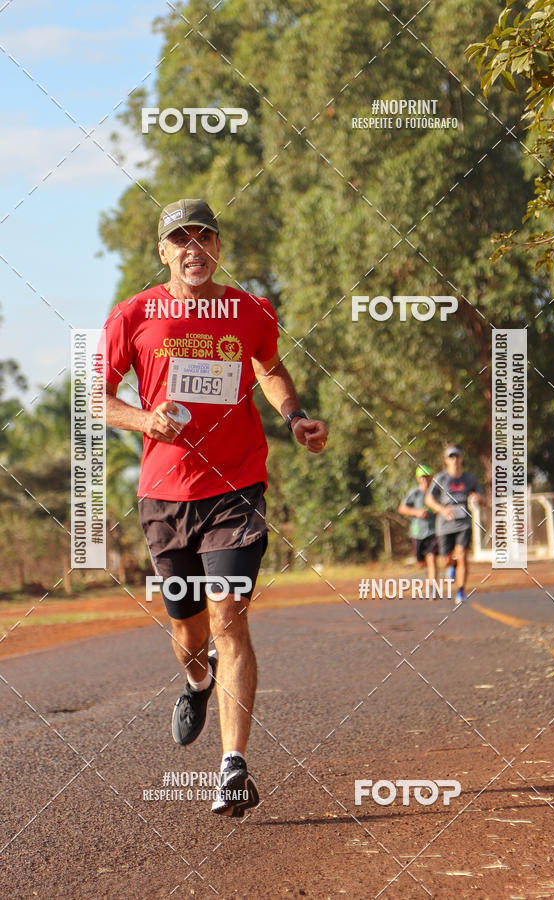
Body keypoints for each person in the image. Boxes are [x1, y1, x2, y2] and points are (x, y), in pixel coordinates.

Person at [99, 198, 328, 817]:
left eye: (204, 237)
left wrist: (295, 416)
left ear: (218, 248)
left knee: (229, 617)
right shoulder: (135, 314)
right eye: (181, 240)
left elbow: (271, 364)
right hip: (164, 495)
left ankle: (233, 767)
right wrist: (145, 418)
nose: (193, 249)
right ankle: (197, 681)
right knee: (189, 630)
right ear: (163, 251)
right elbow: (99, 398)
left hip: (236, 488)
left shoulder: (249, 309)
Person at [425, 446, 484, 604]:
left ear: (461, 458)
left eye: (457, 456)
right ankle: (452, 566)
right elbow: (429, 499)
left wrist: (478, 498)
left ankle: (460, 591)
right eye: (451, 457)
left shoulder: (470, 479)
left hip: (464, 523)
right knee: (446, 560)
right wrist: (442, 510)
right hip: (445, 525)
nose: (455, 460)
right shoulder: (441, 479)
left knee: (463, 555)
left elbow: (483, 497)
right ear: (446, 460)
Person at [398, 465, 437, 583]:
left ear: (431, 477)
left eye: (427, 477)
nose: (425, 480)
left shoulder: (437, 492)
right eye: (422, 477)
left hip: (433, 531)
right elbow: (402, 508)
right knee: (420, 563)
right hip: (418, 532)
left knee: (432, 558)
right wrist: (417, 512)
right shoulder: (414, 493)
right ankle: (426, 569)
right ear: (418, 478)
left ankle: (433, 587)